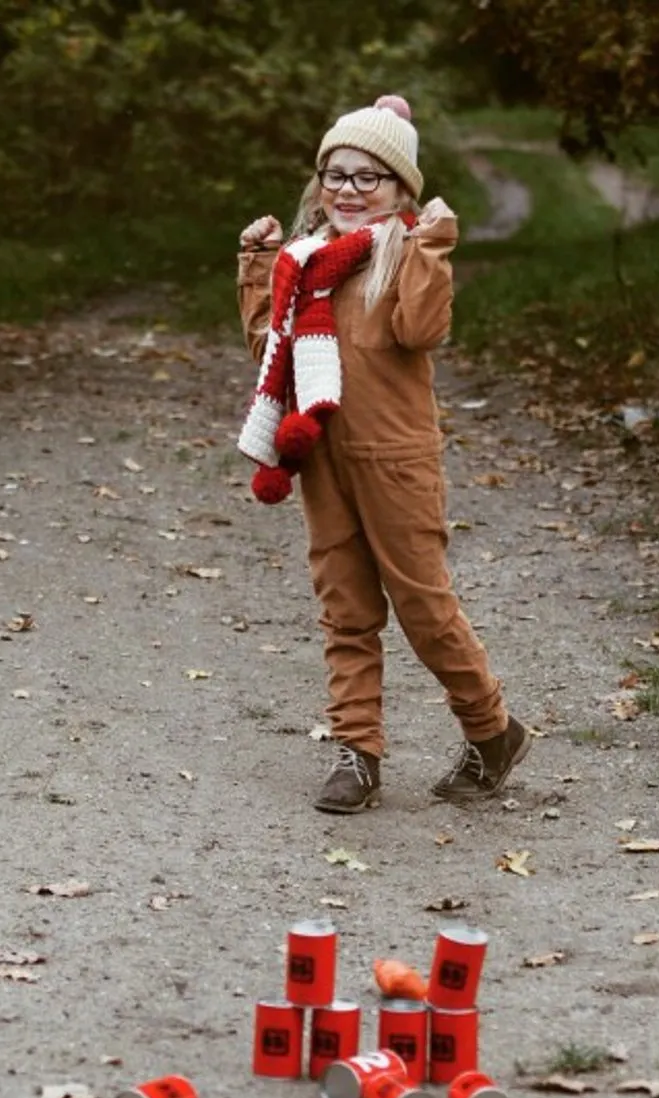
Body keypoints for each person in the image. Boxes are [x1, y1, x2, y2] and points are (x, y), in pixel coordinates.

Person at [235, 95, 530, 814]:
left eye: (368, 177)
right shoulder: (303, 263)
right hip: (322, 458)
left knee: (423, 607)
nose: (348, 190)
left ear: (400, 189)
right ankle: (357, 752)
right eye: (335, 174)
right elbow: (268, 349)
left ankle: (492, 731)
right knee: (345, 608)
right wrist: (257, 266)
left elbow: (420, 330)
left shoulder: (401, 255)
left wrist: (432, 246)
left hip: (396, 460)